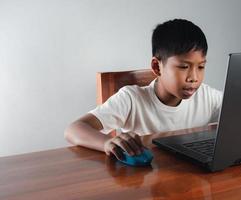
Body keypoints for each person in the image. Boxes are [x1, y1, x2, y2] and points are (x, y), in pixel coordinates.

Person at [64, 19, 222, 161]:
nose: (194, 77)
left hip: (191, 177)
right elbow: (73, 129)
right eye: (183, 67)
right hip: (143, 182)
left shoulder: (206, 96)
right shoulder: (132, 100)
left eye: (201, 66)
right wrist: (106, 142)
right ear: (156, 66)